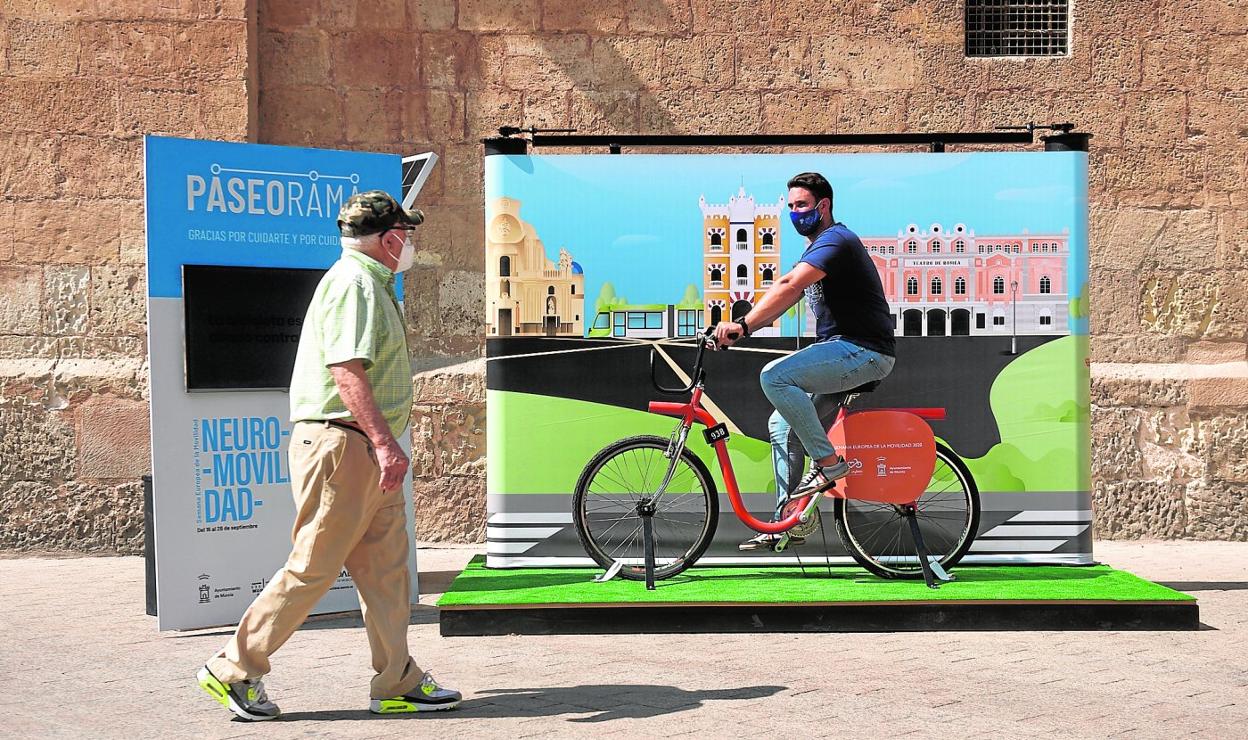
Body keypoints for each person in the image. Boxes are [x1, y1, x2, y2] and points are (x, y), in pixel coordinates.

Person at [196, 191, 461, 720]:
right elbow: (346, 369)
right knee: (314, 564)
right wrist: (386, 443)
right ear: (390, 239)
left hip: (362, 447)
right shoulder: (355, 283)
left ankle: (396, 680)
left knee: (387, 570)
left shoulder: (364, 282)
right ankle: (234, 667)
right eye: (407, 235)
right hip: (347, 446)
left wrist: (383, 445)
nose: (410, 244)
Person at [712, 172, 897, 551]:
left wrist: (742, 326)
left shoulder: (836, 240)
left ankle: (829, 465)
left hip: (865, 351)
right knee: (782, 424)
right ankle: (791, 519)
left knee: (775, 377)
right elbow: (789, 288)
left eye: (802, 205)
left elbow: (789, 286)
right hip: (845, 350)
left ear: (823, 206)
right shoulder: (818, 247)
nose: (795, 213)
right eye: (791, 207)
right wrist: (743, 325)